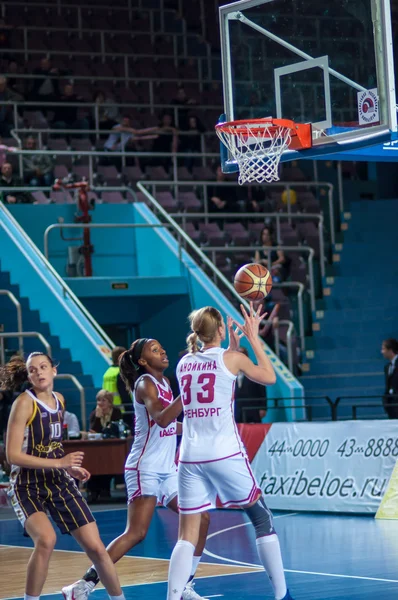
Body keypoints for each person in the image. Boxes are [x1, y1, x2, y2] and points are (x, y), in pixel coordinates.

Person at [62, 338, 209, 600]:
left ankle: (186, 586)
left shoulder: (164, 382)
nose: (162, 351)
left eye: (162, 347)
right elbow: (163, 419)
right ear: (142, 361)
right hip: (145, 468)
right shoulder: (145, 383)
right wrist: (187, 392)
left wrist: (193, 428)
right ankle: (82, 586)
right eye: (155, 350)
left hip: (167, 469)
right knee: (136, 533)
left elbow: (167, 426)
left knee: (202, 519)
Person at [167, 304, 294, 600]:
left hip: (188, 457)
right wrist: (254, 338)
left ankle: (172, 597)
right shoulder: (232, 359)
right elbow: (269, 376)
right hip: (223, 453)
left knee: (187, 535)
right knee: (262, 519)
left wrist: (233, 349)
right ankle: (282, 596)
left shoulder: (184, 362)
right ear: (221, 330)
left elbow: (216, 372)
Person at [1, 352, 126, 600]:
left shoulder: (59, 400)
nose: (39, 372)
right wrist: (60, 462)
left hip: (57, 480)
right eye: (33, 370)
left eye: (43, 366)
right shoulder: (24, 404)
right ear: (28, 376)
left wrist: (67, 468)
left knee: (96, 547)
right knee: (46, 540)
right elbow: (12, 455)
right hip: (27, 484)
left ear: (54, 370)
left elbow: (53, 446)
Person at [235, 346, 267, 422]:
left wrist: (263, 408)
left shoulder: (255, 369)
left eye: (242, 355)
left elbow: (262, 390)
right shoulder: (231, 370)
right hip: (237, 410)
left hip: (252, 409)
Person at [102, 346, 133, 426]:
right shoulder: (121, 373)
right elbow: (124, 394)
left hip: (109, 410)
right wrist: (131, 409)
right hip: (122, 411)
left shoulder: (107, 372)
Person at [381, 338, 398, 419]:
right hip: (392, 409)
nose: (382, 352)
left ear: (390, 350)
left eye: (383, 349)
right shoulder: (387, 367)